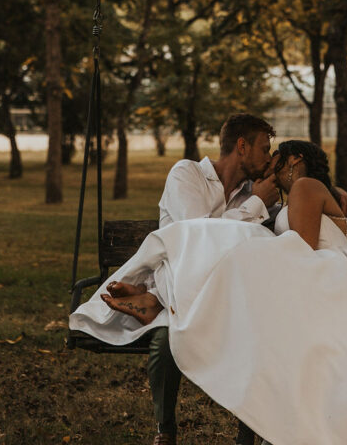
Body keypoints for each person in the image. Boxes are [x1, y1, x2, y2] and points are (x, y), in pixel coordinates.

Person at [73, 137, 347, 445]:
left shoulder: (306, 187)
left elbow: (303, 247)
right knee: (231, 250)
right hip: (313, 272)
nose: (267, 177)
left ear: (291, 163)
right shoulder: (302, 192)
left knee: (233, 250)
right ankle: (163, 299)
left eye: (274, 166)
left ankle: (162, 300)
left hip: (322, 274)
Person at [102, 112, 282, 445]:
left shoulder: (254, 193)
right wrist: (256, 204)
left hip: (227, 296)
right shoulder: (187, 174)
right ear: (242, 146)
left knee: (259, 332)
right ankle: (165, 432)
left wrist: (328, 191)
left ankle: (153, 300)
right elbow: (198, 237)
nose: (269, 158)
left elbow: (292, 212)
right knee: (167, 337)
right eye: (264, 149)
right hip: (187, 278)